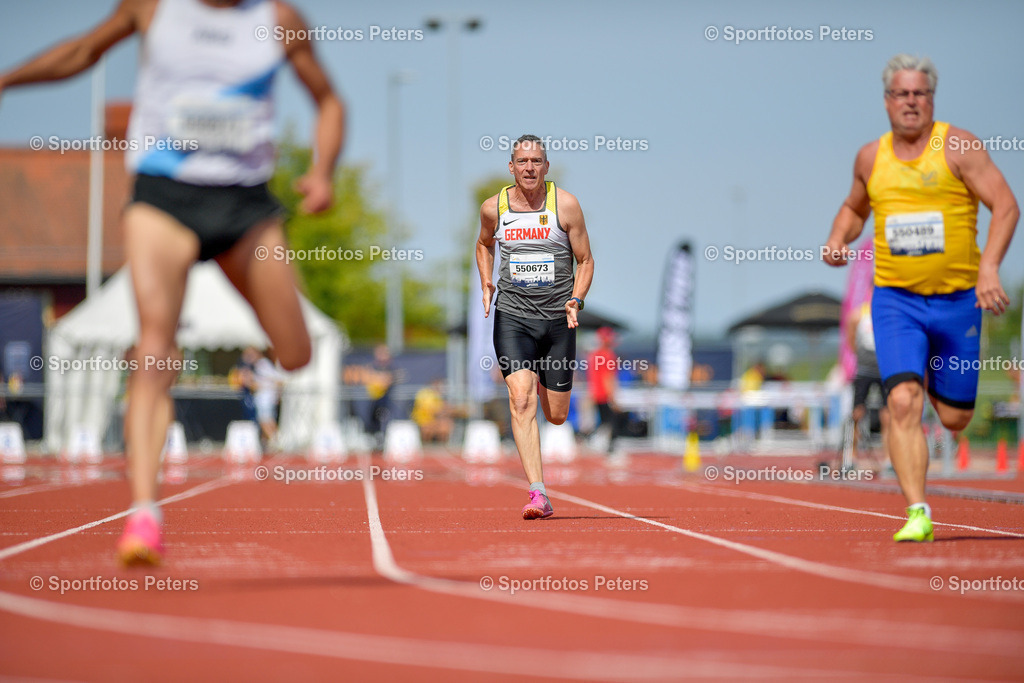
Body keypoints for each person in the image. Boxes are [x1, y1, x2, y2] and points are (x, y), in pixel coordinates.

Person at [0, 0, 345, 565]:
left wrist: (323, 170)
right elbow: (84, 50)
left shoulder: (279, 18)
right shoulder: (153, 7)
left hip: (244, 204)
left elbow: (328, 99)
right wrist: (9, 78)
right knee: (155, 346)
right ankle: (144, 516)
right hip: (163, 196)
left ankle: (145, 510)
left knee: (297, 353)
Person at [824, 54, 1018, 542]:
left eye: (920, 93)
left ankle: (927, 372)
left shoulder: (957, 146)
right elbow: (853, 207)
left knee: (955, 417)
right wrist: (837, 239)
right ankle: (917, 512)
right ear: (886, 100)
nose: (911, 102)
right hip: (897, 301)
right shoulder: (872, 157)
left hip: (957, 304)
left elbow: (1006, 206)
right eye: (901, 94)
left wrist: (989, 268)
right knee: (903, 403)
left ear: (932, 99)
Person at [476, 134, 595, 520]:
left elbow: (586, 260)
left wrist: (576, 299)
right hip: (513, 315)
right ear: (511, 167)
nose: (529, 168)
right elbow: (483, 244)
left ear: (546, 167)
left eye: (536, 161)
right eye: (522, 161)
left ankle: (547, 379)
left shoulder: (567, 206)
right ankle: (537, 493)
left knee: (557, 415)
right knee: (521, 399)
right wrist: (486, 280)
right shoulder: (494, 208)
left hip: (559, 319)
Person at [845, 291, 889, 467]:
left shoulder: (887, 313)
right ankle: (851, 456)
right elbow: (850, 339)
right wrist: (861, 358)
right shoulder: (857, 315)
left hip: (884, 370)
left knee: (887, 415)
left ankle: (889, 458)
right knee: (857, 412)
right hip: (864, 370)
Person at [587, 326, 627, 456]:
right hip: (605, 394)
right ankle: (610, 447)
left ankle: (590, 439)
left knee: (604, 421)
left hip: (596, 394)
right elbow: (608, 378)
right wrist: (613, 397)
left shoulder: (593, 355)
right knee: (613, 420)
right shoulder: (608, 355)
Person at [411, 378, 453, 444]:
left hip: (433, 420)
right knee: (428, 428)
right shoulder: (425, 394)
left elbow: (442, 408)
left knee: (445, 425)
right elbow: (432, 410)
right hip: (423, 420)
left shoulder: (437, 396)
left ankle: (442, 446)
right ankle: (426, 446)